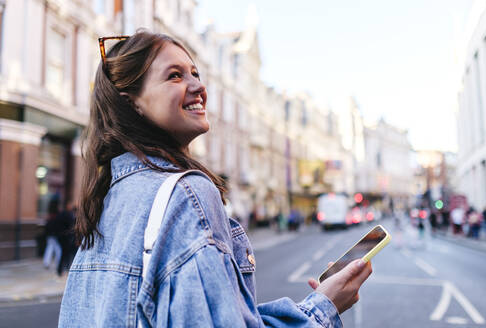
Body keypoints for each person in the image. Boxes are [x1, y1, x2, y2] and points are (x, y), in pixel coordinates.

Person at [58, 31, 372, 327]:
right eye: (175, 76)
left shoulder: (107, 196)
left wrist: (312, 306)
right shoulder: (186, 193)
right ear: (132, 102)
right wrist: (324, 307)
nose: (198, 86)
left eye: (195, 73)